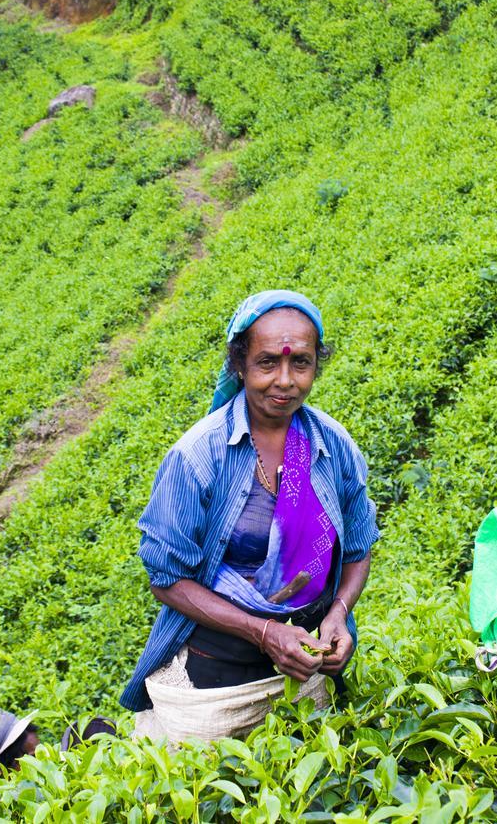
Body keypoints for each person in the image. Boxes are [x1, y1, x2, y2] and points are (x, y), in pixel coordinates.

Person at [121, 290, 379, 742]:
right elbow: (165, 578)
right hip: (217, 679)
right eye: (266, 363)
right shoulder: (198, 457)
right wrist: (263, 632)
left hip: (304, 668)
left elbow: (359, 546)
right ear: (240, 365)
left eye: (300, 363)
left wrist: (338, 612)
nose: (285, 380)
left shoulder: (333, 446)